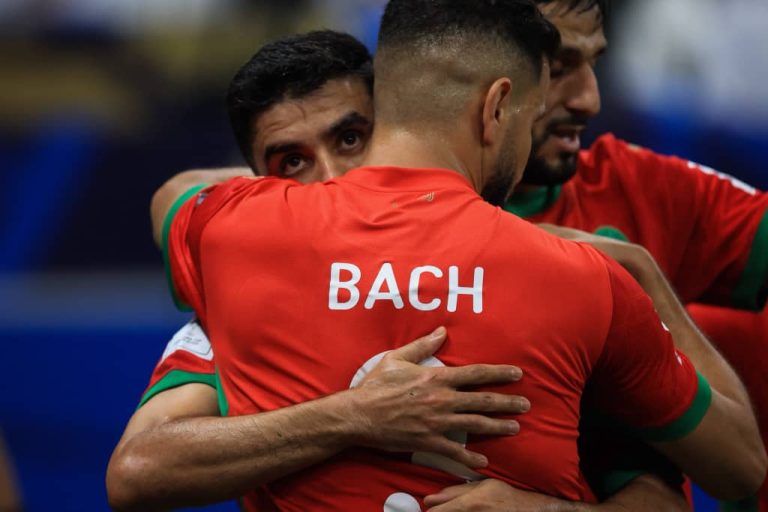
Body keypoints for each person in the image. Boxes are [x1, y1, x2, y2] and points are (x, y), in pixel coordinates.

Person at [148, 0, 765, 510]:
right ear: (496, 105)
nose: (585, 99)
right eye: (553, 71)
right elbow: (142, 468)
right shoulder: (592, 277)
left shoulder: (234, 233)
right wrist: (350, 416)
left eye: (349, 139)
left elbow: (667, 490)